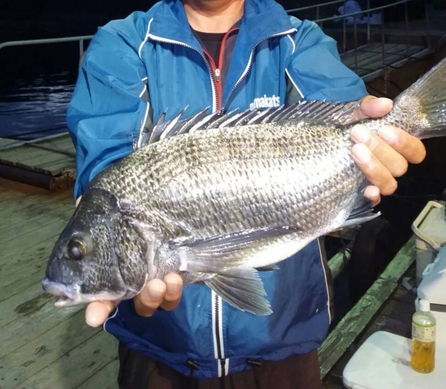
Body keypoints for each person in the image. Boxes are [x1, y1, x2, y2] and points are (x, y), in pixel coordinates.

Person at [67, 0, 426, 387]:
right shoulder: (123, 42)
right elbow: (107, 162)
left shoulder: (296, 40)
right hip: (159, 346)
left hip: (281, 339)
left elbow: (341, 110)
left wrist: (372, 144)